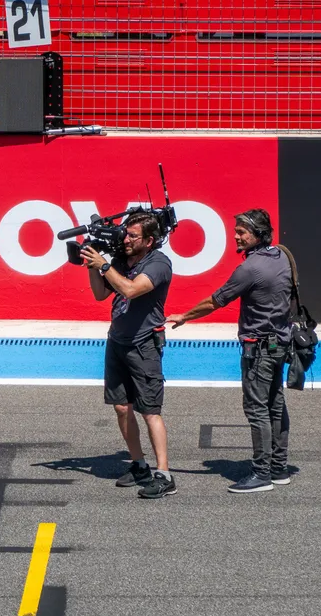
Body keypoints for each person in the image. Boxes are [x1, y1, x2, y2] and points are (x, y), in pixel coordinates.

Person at [167, 209, 292, 494]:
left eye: (241, 232)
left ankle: (262, 474)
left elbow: (216, 301)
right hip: (280, 343)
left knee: (256, 409)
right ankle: (279, 467)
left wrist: (185, 316)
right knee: (275, 404)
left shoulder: (250, 268)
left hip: (259, 347)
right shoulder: (282, 255)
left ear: (258, 235)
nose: (235, 236)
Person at [81, 212, 175, 500]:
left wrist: (105, 265)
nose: (126, 239)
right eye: (126, 233)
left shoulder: (158, 264)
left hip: (144, 344)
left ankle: (164, 474)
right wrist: (91, 265)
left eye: (133, 236)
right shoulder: (121, 260)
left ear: (149, 240)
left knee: (150, 411)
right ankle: (139, 465)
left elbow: (131, 290)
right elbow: (100, 294)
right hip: (118, 341)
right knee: (122, 407)